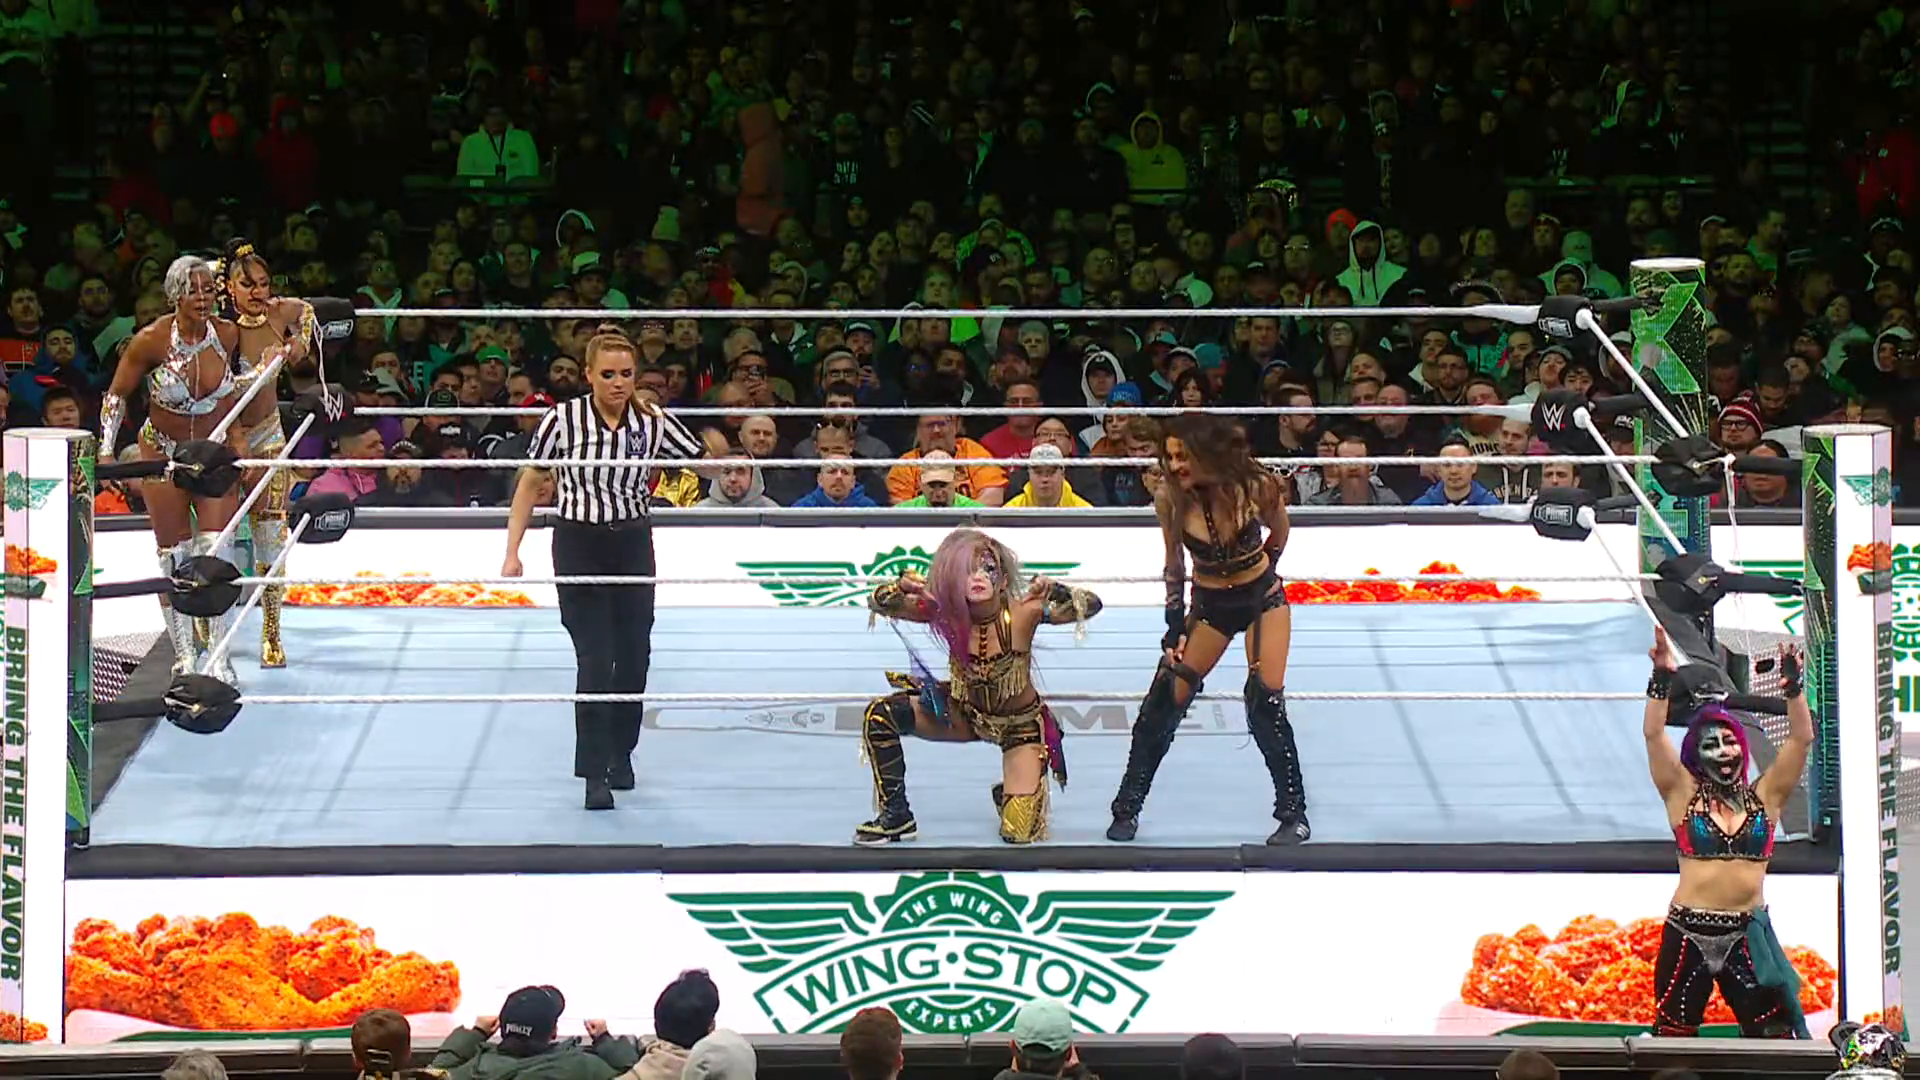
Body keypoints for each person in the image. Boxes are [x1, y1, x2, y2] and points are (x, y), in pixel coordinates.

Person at [503, 330, 726, 810]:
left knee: (634, 655)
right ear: (588, 375)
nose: (618, 383)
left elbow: (699, 463)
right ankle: (593, 774)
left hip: (631, 544)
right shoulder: (562, 420)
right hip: (579, 545)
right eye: (608, 374)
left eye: (626, 373)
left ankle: (621, 752)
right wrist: (512, 551)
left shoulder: (652, 421)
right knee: (595, 659)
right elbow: (530, 483)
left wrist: (725, 462)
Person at [1107, 413, 1307, 845]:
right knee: (1163, 700)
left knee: (1264, 702)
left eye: (1183, 455)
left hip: (1262, 601)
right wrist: (1174, 626)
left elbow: (1280, 528)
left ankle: (1294, 813)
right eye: (1170, 456)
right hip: (1210, 606)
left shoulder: (1253, 484)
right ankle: (1126, 808)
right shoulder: (1170, 498)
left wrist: (1264, 572)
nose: (1175, 465)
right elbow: (1174, 565)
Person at [862, 528, 1103, 845]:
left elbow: (1092, 604)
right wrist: (901, 587)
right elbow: (878, 602)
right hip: (964, 713)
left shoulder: (1025, 612)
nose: (977, 577)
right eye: (967, 570)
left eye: (988, 569)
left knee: (1018, 834)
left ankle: (1016, 786)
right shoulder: (945, 613)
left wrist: (1056, 589)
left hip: (1019, 727)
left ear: (1003, 581)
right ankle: (896, 816)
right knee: (881, 715)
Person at [1644, 624, 1813, 1037]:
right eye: (1711, 745)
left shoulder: (1766, 798)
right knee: (1674, 1036)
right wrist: (1662, 676)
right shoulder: (1682, 795)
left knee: (1774, 1036)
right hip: (1688, 932)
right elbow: (1653, 734)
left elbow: (1801, 738)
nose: (1723, 752)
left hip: (1746, 935)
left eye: (1730, 742)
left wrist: (1793, 691)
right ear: (1695, 756)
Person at [100, 256, 245, 683]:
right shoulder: (150, 340)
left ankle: (219, 655)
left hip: (213, 452)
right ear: (174, 296)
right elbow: (116, 395)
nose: (202, 298)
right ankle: (184, 654)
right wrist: (106, 451)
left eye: (208, 289)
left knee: (216, 551)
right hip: (164, 452)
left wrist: (238, 434)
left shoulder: (227, 333)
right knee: (174, 555)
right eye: (192, 290)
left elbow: (230, 391)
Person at [217, 237, 317, 668]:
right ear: (229, 288)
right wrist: (261, 370)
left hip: (270, 435)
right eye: (248, 284)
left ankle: (272, 631)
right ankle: (211, 630)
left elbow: (307, 311)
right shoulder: (220, 329)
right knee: (216, 537)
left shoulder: (277, 312)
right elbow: (213, 388)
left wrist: (299, 344)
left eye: (263, 282)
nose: (258, 292)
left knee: (272, 535)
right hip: (223, 439)